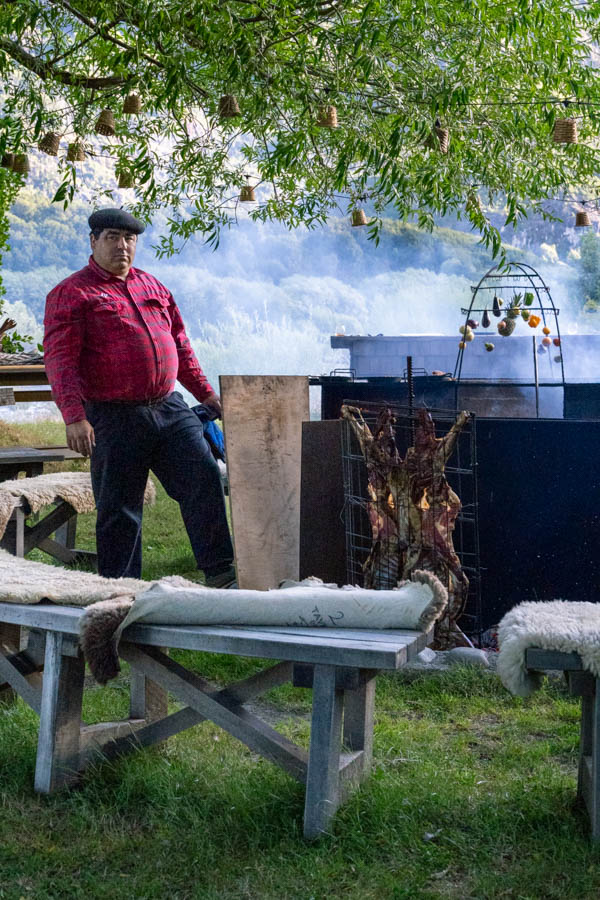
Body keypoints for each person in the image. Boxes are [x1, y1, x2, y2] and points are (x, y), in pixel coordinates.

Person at [43, 208, 236, 587]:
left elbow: (180, 344)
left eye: (129, 239)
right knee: (120, 508)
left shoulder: (153, 286)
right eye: (112, 237)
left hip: (169, 407)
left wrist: (205, 393)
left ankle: (221, 573)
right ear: (93, 241)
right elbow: (60, 361)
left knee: (204, 478)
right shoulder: (72, 294)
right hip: (113, 416)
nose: (122, 246)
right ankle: (121, 590)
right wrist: (74, 417)